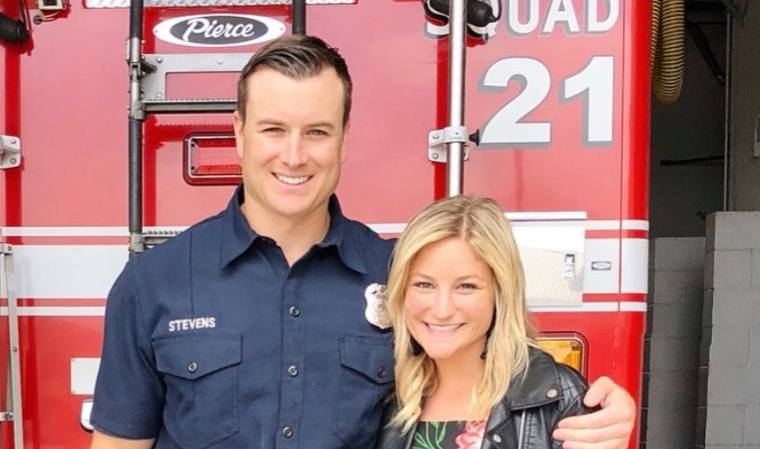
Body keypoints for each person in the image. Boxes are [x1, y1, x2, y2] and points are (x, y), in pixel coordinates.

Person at [89, 35, 635, 449]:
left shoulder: (400, 277)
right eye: (273, 129)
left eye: (317, 132)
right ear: (238, 133)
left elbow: (491, 362)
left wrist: (594, 405)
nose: (295, 155)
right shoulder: (152, 282)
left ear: (345, 139)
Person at [375, 195, 595, 449]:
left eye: (466, 286)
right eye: (424, 284)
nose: (442, 309)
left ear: (499, 293)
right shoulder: (380, 390)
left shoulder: (555, 394)